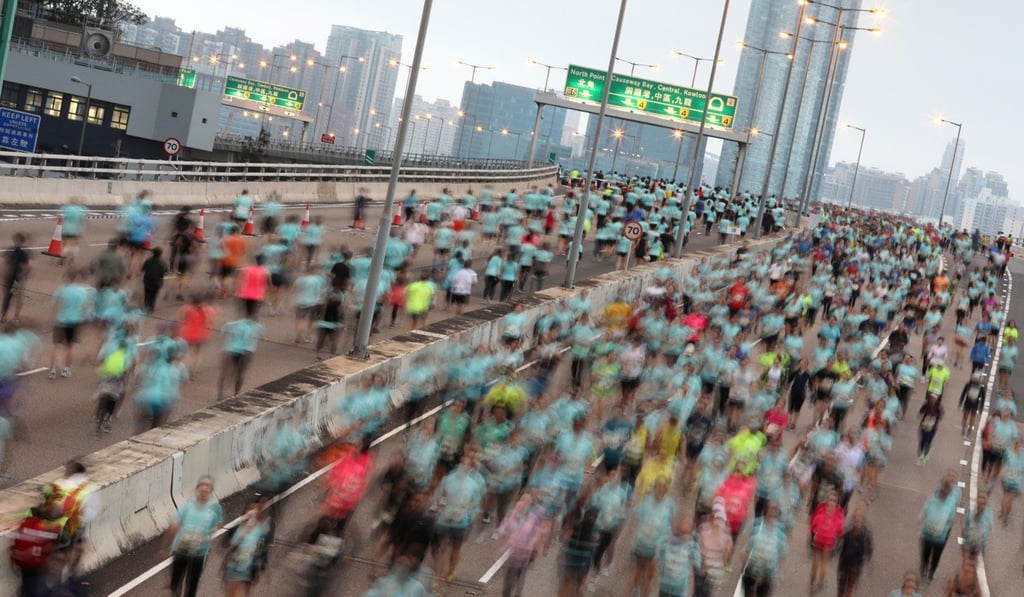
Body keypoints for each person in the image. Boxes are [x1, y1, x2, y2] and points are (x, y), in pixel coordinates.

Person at [163, 476, 223, 597]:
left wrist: (209, 533)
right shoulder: (187, 506)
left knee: (192, 584)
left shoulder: (214, 509)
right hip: (181, 549)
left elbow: (218, 525)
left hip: (199, 553)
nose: (203, 494)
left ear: (210, 493)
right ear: (197, 490)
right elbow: (174, 524)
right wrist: (165, 545)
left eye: (206, 492)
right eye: (201, 491)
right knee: (175, 583)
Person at [11, 483, 63, 597]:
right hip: (39, 561)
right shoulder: (52, 519)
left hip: (26, 560)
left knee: (28, 585)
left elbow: (20, 534)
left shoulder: (31, 514)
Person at [223, 498, 271, 597]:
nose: (251, 512)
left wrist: (262, 565)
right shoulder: (241, 526)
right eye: (250, 509)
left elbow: (262, 548)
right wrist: (245, 527)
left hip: (246, 568)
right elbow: (232, 542)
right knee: (230, 592)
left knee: (240, 592)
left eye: (255, 509)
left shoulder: (261, 529)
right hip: (234, 565)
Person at [218, 312, 264, 400]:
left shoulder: (233, 324)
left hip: (231, 349)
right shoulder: (258, 326)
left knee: (225, 373)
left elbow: (223, 331)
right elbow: (262, 336)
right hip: (247, 351)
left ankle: (220, 394)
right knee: (240, 374)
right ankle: (235, 394)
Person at [836, 507, 873, 597]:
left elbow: (869, 549)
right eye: (856, 519)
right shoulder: (847, 532)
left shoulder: (866, 535)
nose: (858, 522)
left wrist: (867, 555)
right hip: (844, 563)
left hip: (856, 565)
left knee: (850, 586)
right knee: (841, 587)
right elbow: (839, 545)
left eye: (860, 520)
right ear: (853, 520)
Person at [1, 232, 31, 324]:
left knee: (8, 297)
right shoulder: (24, 252)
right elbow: (28, 266)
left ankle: (4, 316)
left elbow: (4, 262)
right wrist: (25, 275)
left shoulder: (10, 250)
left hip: (11, 278)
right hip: (16, 278)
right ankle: (15, 317)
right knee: (16, 297)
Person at [140, 247, 168, 314]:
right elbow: (165, 272)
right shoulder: (163, 263)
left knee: (147, 294)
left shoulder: (148, 261)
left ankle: (146, 306)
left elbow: (143, 269)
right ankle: (151, 308)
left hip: (147, 281)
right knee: (154, 295)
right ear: (160, 254)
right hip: (157, 282)